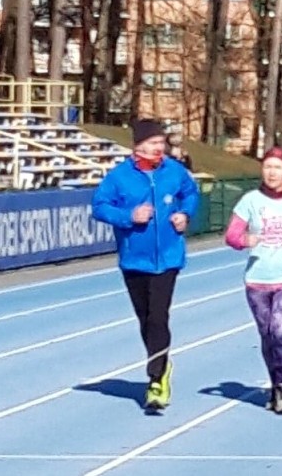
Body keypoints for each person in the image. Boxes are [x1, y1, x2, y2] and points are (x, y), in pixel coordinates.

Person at [92, 119, 200, 410]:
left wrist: (184, 215)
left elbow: (191, 193)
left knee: (158, 317)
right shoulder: (119, 177)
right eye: (153, 143)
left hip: (168, 258)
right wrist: (129, 216)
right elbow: (99, 207)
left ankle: (156, 378)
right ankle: (162, 362)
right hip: (134, 259)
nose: (159, 148)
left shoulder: (174, 171)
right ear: (137, 145)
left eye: (161, 142)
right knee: (145, 319)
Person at [225, 147, 282, 415]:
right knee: (266, 335)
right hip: (257, 280)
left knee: (279, 330)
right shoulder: (250, 201)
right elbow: (231, 235)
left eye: (277, 167)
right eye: (267, 167)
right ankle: (275, 384)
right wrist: (244, 241)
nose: (272, 172)